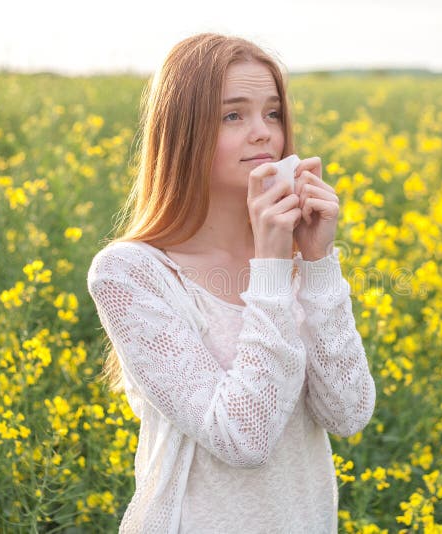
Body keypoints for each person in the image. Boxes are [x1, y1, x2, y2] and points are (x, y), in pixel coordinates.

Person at [87, 32, 375, 533]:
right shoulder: (129, 273)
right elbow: (244, 437)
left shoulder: (292, 258)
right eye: (233, 115)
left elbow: (348, 412)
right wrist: (271, 265)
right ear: (183, 134)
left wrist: (318, 260)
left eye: (273, 113)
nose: (264, 133)